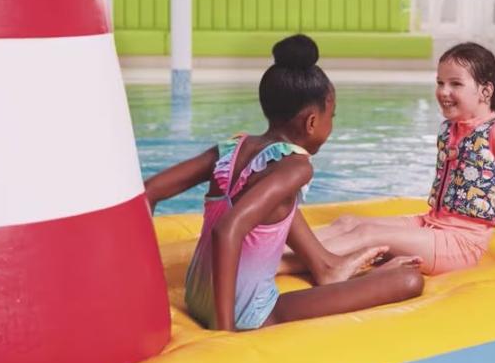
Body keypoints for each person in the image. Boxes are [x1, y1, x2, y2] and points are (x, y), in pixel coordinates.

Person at [145, 34, 424, 331]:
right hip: (246, 313)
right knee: (409, 281)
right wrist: (223, 332)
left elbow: (149, 192)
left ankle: (325, 265)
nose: (332, 124)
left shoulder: (233, 148)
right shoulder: (296, 167)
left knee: (276, 199)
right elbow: (228, 229)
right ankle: (323, 269)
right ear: (312, 122)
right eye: (333, 116)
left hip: (197, 295)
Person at [293, 43, 495, 276]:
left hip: (461, 244)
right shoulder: (454, 127)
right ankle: (278, 249)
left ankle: (286, 263)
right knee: (349, 222)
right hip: (431, 223)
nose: (444, 91)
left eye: (455, 84)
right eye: (440, 82)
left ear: (485, 91)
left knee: (367, 234)